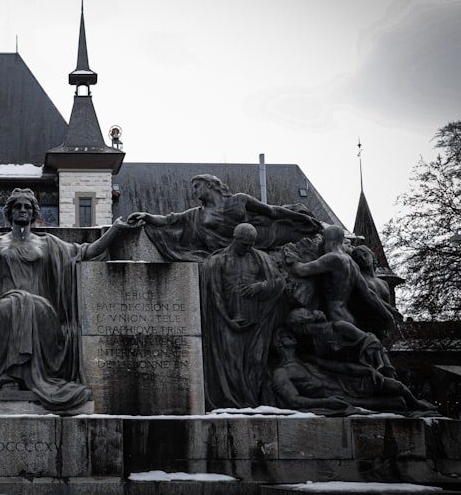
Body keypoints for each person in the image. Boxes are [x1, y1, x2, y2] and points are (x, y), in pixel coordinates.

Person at [0, 188, 136, 411]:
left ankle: (17, 377)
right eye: (17, 206)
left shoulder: (49, 244)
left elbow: (86, 252)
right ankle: (9, 376)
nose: (22, 210)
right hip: (0, 309)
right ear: (9, 212)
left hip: (42, 311)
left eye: (27, 207)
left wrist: (115, 230)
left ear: (33, 213)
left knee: (28, 303)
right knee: (14, 304)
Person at [128, 174, 323, 262]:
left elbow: (272, 211)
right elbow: (169, 220)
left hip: (261, 236)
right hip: (229, 251)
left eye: (197, 186)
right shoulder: (197, 214)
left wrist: (298, 217)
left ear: (210, 185)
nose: (194, 191)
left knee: (301, 237)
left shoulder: (239, 199)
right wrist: (147, 216)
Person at [201, 223, 286, 408]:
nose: (248, 248)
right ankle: (233, 404)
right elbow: (215, 294)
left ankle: (253, 402)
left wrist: (260, 286)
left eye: (251, 244)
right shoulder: (218, 261)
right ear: (235, 238)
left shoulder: (259, 258)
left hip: (256, 321)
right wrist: (227, 320)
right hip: (228, 321)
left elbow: (279, 281)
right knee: (232, 363)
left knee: (256, 362)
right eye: (245, 244)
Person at [271, 329, 435, 414]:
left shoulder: (307, 360)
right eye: (285, 336)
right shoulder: (281, 372)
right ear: (278, 344)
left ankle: (416, 403)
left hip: (348, 384)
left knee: (397, 386)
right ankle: (410, 405)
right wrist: (325, 402)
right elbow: (294, 401)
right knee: (397, 404)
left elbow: (341, 368)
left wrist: (368, 370)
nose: (291, 336)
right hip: (338, 397)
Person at [285, 225, 395, 336]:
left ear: (331, 242)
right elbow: (369, 294)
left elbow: (300, 270)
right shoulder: (353, 264)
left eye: (324, 241)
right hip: (349, 319)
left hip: (334, 317)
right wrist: (389, 316)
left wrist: (290, 256)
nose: (322, 244)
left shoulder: (332, 258)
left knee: (293, 322)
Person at [284, 307, 395, 377]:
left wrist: (384, 365)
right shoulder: (313, 343)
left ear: (300, 324)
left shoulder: (339, 327)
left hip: (376, 364)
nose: (294, 333)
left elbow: (372, 341)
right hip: (353, 373)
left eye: (293, 328)